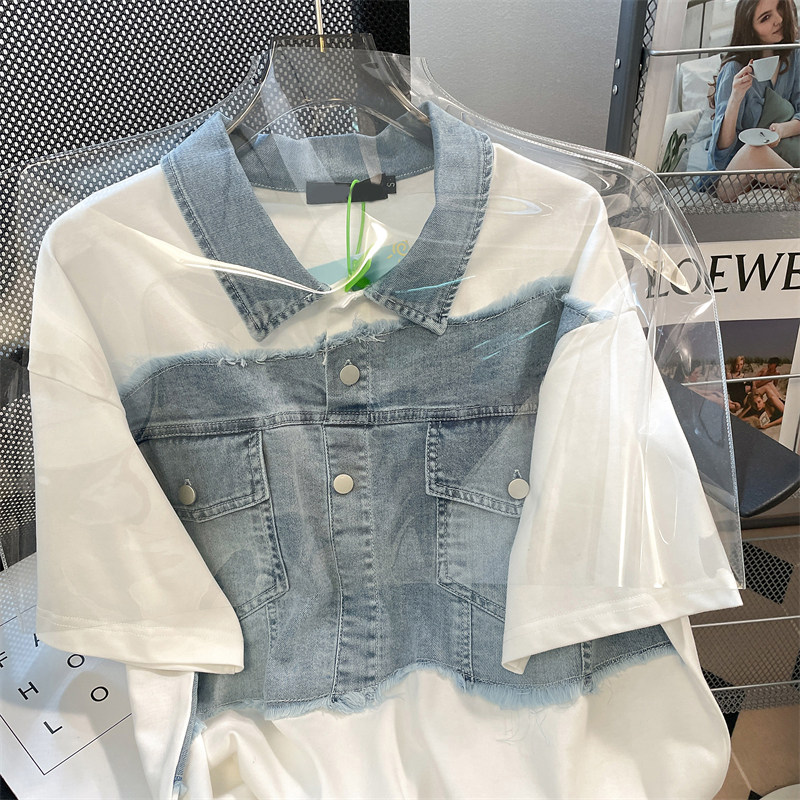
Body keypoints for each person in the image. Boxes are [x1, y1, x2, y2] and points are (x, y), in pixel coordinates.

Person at [707, 0, 800, 202]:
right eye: (765, 18)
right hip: (735, 175)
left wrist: (781, 130)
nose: (779, 20)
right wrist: (736, 97)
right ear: (750, 27)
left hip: (782, 163)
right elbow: (721, 154)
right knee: (753, 151)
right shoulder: (733, 69)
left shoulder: (796, 56)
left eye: (780, 8)